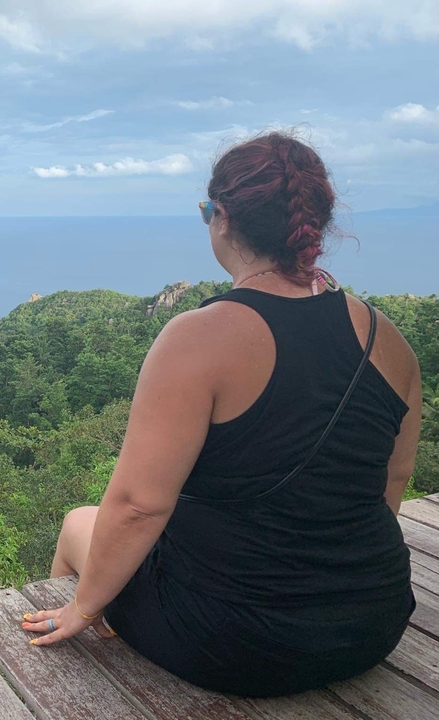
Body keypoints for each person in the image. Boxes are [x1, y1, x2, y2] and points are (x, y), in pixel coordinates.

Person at [22, 131, 422, 697]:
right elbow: (393, 480)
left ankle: (79, 667)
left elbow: (138, 505)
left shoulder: (199, 337)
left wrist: (85, 607)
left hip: (236, 642)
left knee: (76, 525)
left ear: (223, 219)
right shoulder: (388, 338)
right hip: (374, 623)